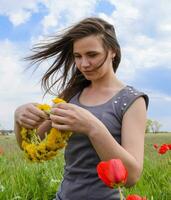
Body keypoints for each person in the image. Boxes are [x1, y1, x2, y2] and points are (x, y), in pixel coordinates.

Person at [14, 17, 149, 200]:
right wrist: (20, 118)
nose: (84, 64)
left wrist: (93, 127)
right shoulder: (70, 95)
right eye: (78, 56)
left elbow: (131, 176)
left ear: (113, 52)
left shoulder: (132, 101)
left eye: (92, 55)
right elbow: (30, 145)